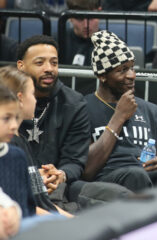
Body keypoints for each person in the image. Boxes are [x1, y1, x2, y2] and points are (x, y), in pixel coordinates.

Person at [83, 30, 157, 192]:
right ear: (102, 75)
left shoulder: (152, 110)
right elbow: (87, 170)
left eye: (132, 68)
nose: (132, 75)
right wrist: (119, 117)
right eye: (122, 70)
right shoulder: (83, 108)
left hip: (147, 176)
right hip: (108, 178)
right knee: (136, 175)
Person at [15, 35, 91, 210]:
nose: (49, 69)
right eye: (40, 63)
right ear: (21, 66)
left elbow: (75, 160)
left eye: (54, 63)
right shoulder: (6, 101)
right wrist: (33, 177)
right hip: (14, 181)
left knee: (110, 194)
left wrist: (60, 175)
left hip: (58, 184)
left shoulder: (74, 103)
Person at [0, 84, 36, 218]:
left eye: (15, 118)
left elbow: (29, 206)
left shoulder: (18, 156)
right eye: (6, 118)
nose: (14, 125)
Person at [58, 0, 101, 95]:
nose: (86, 25)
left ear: (99, 12)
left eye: (91, 18)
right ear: (70, 17)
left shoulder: (112, 43)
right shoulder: (57, 41)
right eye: (79, 19)